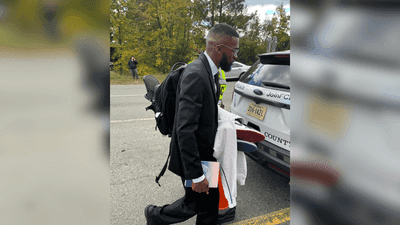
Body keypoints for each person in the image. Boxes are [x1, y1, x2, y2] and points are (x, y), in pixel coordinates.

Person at [144, 23, 239, 225]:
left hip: (205, 154)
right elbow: (184, 128)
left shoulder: (208, 71)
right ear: (219, 48)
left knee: (205, 205)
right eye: (234, 50)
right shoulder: (197, 74)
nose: (236, 56)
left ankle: (154, 215)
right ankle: (154, 215)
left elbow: (201, 113)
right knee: (200, 204)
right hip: (197, 158)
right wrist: (196, 175)